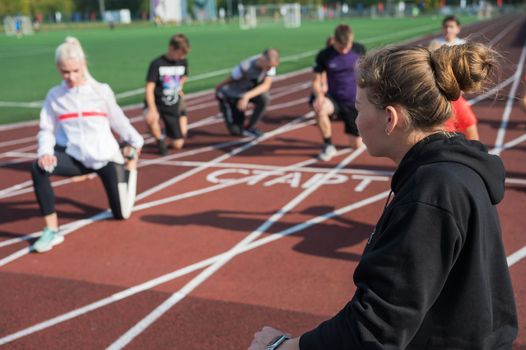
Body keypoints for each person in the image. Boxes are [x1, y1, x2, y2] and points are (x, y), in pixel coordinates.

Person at [249, 43, 518, 349]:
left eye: (359, 107)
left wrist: (280, 346)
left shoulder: (432, 193)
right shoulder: (451, 171)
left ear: (390, 118)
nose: (356, 118)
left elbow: (374, 329)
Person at [31, 37, 144, 253]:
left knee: (122, 214)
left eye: (75, 70)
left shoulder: (100, 91)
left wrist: (136, 141)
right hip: (77, 158)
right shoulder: (55, 96)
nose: (71, 77)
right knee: (38, 167)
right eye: (65, 72)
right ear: (58, 69)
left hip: (106, 158)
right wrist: (45, 152)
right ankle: (52, 230)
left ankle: (130, 165)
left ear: (83, 66)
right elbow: (46, 129)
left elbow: (118, 120)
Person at [310, 24, 366, 161]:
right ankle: (328, 145)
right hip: (334, 98)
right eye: (342, 46)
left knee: (356, 145)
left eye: (348, 46)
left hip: (353, 101)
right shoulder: (325, 55)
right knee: (319, 108)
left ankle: (355, 136)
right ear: (334, 40)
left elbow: (367, 73)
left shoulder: (359, 49)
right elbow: (315, 81)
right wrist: (319, 96)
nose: (345, 50)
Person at [430, 15, 480, 140]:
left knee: (462, 122)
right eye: (446, 27)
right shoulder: (435, 44)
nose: (448, 30)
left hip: (456, 94)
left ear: (458, 28)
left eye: (451, 27)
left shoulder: (463, 45)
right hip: (438, 93)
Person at [215, 48, 280, 137]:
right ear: (262, 59)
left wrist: (246, 96)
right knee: (236, 132)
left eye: (272, 67)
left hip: (246, 92)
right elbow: (230, 80)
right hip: (232, 95)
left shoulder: (270, 66)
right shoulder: (245, 66)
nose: (270, 69)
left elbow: (266, 85)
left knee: (265, 98)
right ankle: (235, 121)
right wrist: (219, 88)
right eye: (268, 66)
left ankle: (250, 127)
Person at [144, 33, 190, 155]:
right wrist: (152, 109)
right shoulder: (157, 64)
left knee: (178, 144)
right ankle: (159, 141)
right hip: (158, 101)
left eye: (183, 55)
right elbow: (149, 88)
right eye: (179, 53)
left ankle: (171, 128)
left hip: (173, 103)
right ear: (171, 48)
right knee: (151, 118)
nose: (181, 57)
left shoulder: (183, 62)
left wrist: (180, 86)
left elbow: (184, 75)